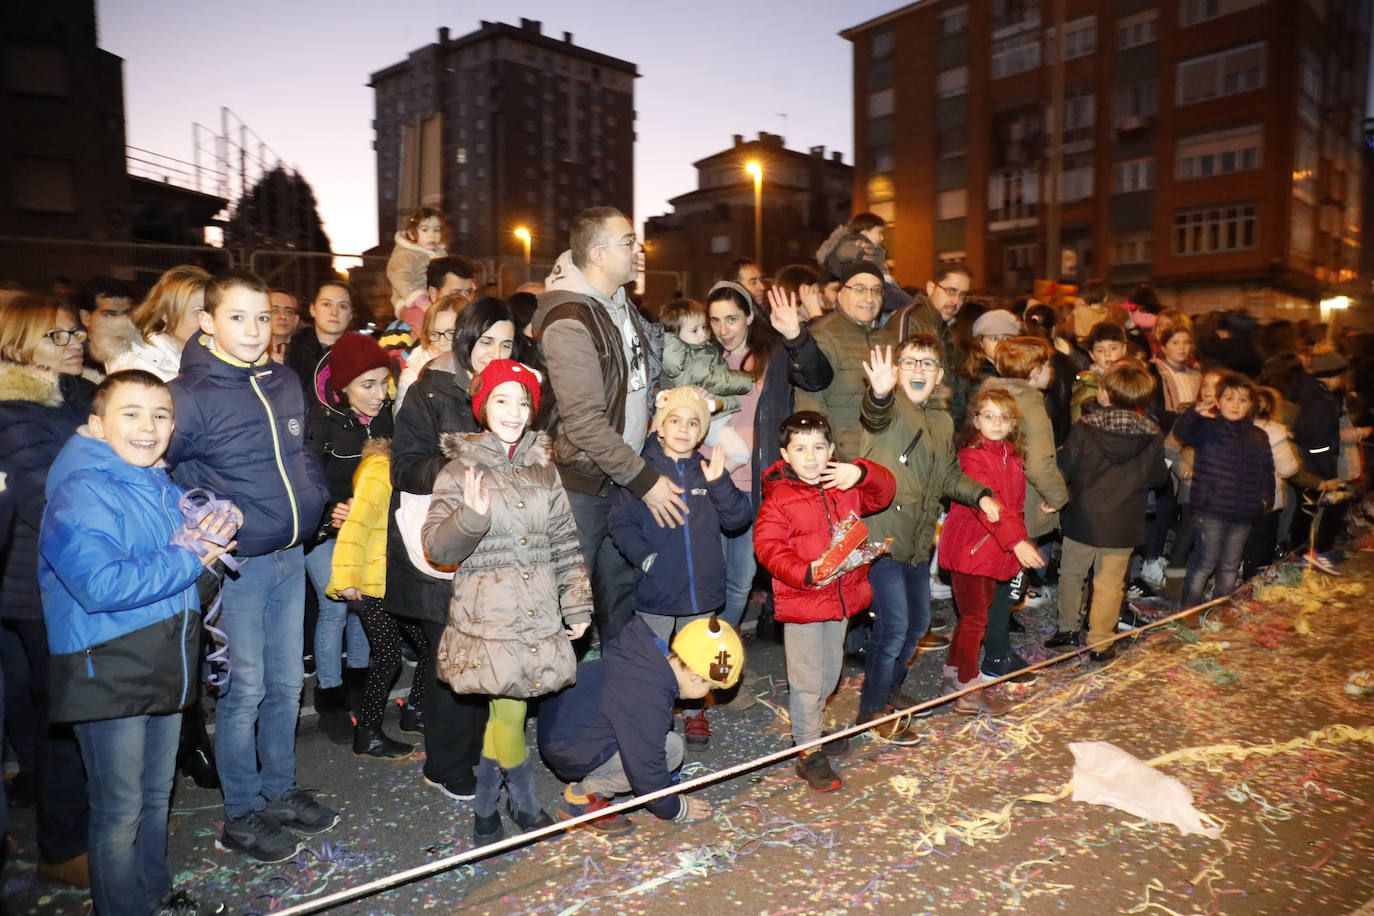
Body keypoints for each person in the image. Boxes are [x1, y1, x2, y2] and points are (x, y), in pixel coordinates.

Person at [39, 370, 234, 916]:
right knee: (119, 809)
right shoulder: (80, 493)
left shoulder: (161, 486)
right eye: (131, 414)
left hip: (163, 659)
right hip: (108, 665)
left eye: (161, 415)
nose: (148, 427)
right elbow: (101, 586)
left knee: (154, 799)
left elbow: (183, 578)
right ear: (97, 425)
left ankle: (153, 896)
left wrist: (213, 544)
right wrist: (191, 554)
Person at [166, 269, 332, 864]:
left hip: (291, 554)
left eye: (262, 316)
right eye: (237, 316)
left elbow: (301, 451)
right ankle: (241, 813)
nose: (254, 328)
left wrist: (314, 495)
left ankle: (279, 789)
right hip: (237, 569)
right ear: (207, 323)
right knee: (245, 691)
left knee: (289, 684)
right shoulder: (186, 395)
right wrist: (197, 523)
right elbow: (157, 473)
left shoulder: (284, 380)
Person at [422, 359, 591, 845]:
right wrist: (471, 518)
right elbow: (437, 548)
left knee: (508, 710)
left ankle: (488, 808)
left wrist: (576, 604)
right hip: (489, 615)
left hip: (536, 611)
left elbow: (565, 540)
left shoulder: (545, 470)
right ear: (482, 407)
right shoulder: (459, 470)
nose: (514, 412)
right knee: (511, 709)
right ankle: (519, 804)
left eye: (523, 402)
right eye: (502, 399)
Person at [388, 297, 517, 801]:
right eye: (487, 341)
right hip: (439, 546)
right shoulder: (430, 391)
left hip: (494, 547)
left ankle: (479, 752)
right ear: (465, 339)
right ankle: (446, 764)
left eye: (506, 343)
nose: (495, 352)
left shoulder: (514, 392)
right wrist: (455, 470)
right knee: (452, 660)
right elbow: (403, 467)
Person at [532, 207, 667, 647]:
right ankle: (555, 712)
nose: (638, 249)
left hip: (618, 480)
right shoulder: (571, 318)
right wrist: (646, 480)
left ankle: (616, 706)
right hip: (581, 489)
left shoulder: (618, 304)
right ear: (597, 254)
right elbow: (585, 423)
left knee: (620, 606)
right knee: (567, 613)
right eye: (628, 241)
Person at [0, 293, 95, 887]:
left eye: (73, 333)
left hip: (67, 576)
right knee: (66, 716)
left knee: (66, 711)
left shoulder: (78, 395)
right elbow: (45, 498)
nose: (73, 342)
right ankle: (61, 848)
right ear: (17, 346)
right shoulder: (13, 410)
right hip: (40, 585)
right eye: (56, 337)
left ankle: (79, 825)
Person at [857, 339, 996, 742]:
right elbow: (875, 413)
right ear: (897, 370)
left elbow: (949, 475)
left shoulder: (940, 420)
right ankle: (871, 709)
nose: (919, 369)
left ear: (938, 376)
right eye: (910, 362)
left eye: (928, 363)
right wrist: (880, 393)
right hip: (882, 539)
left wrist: (982, 494)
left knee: (917, 624)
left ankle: (889, 687)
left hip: (918, 542)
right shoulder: (891, 408)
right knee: (894, 626)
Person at [753, 411, 895, 792]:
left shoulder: (842, 485)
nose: (812, 457)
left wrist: (861, 473)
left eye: (819, 447)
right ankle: (807, 750)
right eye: (801, 449)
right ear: (786, 455)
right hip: (802, 602)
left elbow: (885, 492)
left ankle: (810, 728)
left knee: (831, 674)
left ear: (831, 450)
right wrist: (805, 571)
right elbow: (767, 547)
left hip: (842, 600)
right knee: (806, 680)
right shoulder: (780, 499)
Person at [608, 387, 753, 748]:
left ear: (702, 432)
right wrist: (646, 559)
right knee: (655, 657)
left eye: (693, 423)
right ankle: (653, 716)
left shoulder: (707, 471)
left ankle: (694, 713)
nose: (683, 429)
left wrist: (719, 483)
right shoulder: (642, 474)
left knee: (699, 655)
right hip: (656, 588)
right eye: (675, 420)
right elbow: (620, 523)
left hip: (701, 590)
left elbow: (737, 519)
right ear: (659, 426)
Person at [537, 615, 738, 835]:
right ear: (696, 677)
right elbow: (645, 765)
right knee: (653, 758)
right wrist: (674, 808)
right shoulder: (648, 697)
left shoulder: (646, 659)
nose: (708, 695)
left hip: (565, 729)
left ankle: (615, 781)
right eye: (710, 688)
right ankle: (582, 797)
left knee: (671, 747)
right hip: (570, 749)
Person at [706, 281, 832, 630]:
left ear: (749, 316)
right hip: (709, 479)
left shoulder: (773, 356)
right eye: (715, 320)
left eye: (731, 318)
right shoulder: (703, 358)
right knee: (706, 578)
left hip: (752, 485)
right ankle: (697, 656)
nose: (723, 329)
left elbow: (818, 377)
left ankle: (720, 651)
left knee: (740, 581)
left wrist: (796, 336)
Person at [303, 334, 396, 748]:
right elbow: (305, 482)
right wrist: (330, 513)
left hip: (368, 532)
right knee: (336, 606)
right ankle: (331, 699)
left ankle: (360, 687)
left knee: (366, 605)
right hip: (325, 532)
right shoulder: (319, 423)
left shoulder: (386, 416)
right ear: (342, 387)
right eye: (367, 385)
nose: (379, 394)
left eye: (383, 383)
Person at [1050, 361, 1168, 660]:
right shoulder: (1152, 434)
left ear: (1105, 394)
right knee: (1110, 583)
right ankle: (1100, 643)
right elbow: (1158, 477)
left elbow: (1067, 466)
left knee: (1072, 574)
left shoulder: (1086, 427)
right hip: (1124, 520)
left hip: (1083, 515)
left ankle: (1067, 629)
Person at [939, 387, 1045, 715]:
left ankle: (954, 676)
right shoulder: (972, 458)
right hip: (971, 549)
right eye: (989, 416)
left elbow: (1014, 507)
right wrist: (1017, 542)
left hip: (992, 551)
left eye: (1004, 417)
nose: (997, 423)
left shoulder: (1011, 455)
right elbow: (992, 507)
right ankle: (970, 690)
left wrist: (1020, 537)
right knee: (975, 620)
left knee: (974, 618)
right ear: (976, 420)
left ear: (1013, 422)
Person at [1173, 373, 1274, 610]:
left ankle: (1219, 610)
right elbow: (1182, 433)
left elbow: (1267, 471)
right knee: (1204, 563)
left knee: (1229, 565)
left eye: (1242, 400)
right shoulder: (1208, 428)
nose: (1236, 405)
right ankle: (1189, 611)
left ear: (1251, 405)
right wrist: (1195, 413)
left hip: (1244, 512)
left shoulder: (1258, 436)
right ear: (1218, 401)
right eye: (1229, 398)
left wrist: (1264, 500)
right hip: (1211, 509)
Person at [793, 260, 896, 460]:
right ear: (840, 295)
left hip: (886, 456)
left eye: (876, 290)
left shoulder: (889, 339)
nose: (869, 298)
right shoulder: (822, 336)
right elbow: (810, 405)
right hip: (844, 460)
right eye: (859, 289)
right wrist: (828, 461)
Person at [657, 299, 752, 468]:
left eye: (704, 327)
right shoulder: (691, 358)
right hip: (708, 420)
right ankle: (713, 481)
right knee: (741, 454)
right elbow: (714, 379)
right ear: (675, 335)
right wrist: (747, 380)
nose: (702, 334)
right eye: (694, 330)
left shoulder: (697, 350)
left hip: (709, 416)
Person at [105, 265, 210, 380]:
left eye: (213, 311)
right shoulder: (138, 365)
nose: (210, 320)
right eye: (199, 311)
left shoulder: (213, 354)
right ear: (167, 315)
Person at [285, 281, 354, 406]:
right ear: (313, 309)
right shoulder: (291, 351)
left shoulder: (362, 354)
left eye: (343, 306)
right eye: (326, 304)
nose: (334, 312)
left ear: (350, 315)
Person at [395, 293, 464, 409]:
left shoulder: (479, 366)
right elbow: (404, 422)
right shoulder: (414, 374)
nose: (442, 342)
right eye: (435, 334)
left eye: (451, 333)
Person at [386, 207, 449, 331]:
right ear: (412, 232)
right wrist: (417, 297)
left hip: (435, 303)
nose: (432, 235)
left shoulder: (440, 255)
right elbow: (398, 278)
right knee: (420, 324)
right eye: (425, 230)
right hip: (410, 303)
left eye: (436, 230)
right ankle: (416, 348)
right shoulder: (406, 253)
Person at [77, 278, 135, 379]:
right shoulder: (76, 358)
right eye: (110, 315)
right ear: (86, 317)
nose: (121, 322)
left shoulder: (142, 348)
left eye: (127, 314)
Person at [1070, 322, 1128, 422]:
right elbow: (1079, 424)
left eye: (1113, 348)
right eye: (1100, 350)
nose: (1107, 354)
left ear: (1124, 349)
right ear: (1092, 355)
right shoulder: (1088, 387)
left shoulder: (1129, 379)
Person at [269, 290, 301, 364]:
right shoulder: (246, 354)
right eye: (274, 311)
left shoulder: (305, 358)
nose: (283, 316)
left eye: (289, 312)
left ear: (296, 320)